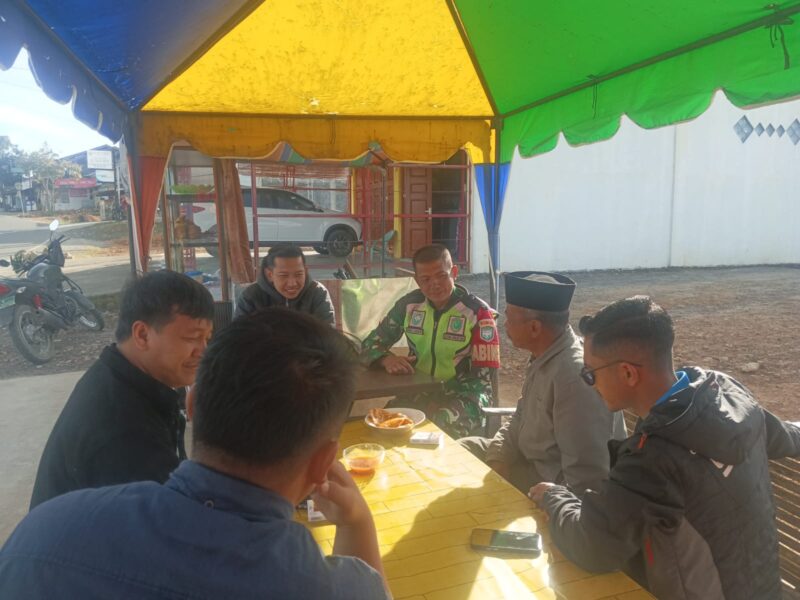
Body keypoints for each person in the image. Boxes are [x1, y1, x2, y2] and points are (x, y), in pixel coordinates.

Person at [0, 309, 389, 600]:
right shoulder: (334, 588)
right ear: (324, 462)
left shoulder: (43, 533)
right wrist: (357, 524)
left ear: (192, 405)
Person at [529, 296, 800, 600]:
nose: (589, 384)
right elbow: (787, 437)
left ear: (628, 373)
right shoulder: (726, 393)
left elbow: (593, 547)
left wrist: (554, 497)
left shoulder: (652, 458)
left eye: (589, 374)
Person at [29, 270, 214, 509]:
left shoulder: (118, 376)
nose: (203, 351)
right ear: (142, 335)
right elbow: (165, 521)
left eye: (207, 338)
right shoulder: (123, 430)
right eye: (192, 338)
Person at [460, 271, 625, 493]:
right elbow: (520, 415)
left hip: (546, 484)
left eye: (510, 319)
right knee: (460, 449)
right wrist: (499, 457)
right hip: (526, 459)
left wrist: (548, 499)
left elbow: (587, 476)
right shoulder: (544, 354)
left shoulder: (574, 377)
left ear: (535, 328)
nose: (505, 325)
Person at [360, 244, 499, 438]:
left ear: (454, 273)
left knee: (438, 429)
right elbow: (368, 345)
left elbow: (483, 377)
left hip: (467, 394)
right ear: (417, 280)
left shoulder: (478, 312)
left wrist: (440, 401)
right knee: (382, 425)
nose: (435, 284)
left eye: (441, 276)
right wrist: (386, 359)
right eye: (425, 279)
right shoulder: (409, 305)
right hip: (419, 390)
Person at [235, 243, 334, 324]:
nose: (292, 283)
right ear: (270, 275)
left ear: (306, 271)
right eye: (284, 275)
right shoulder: (251, 297)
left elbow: (328, 336)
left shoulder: (317, 293)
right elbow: (239, 337)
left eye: (298, 274)